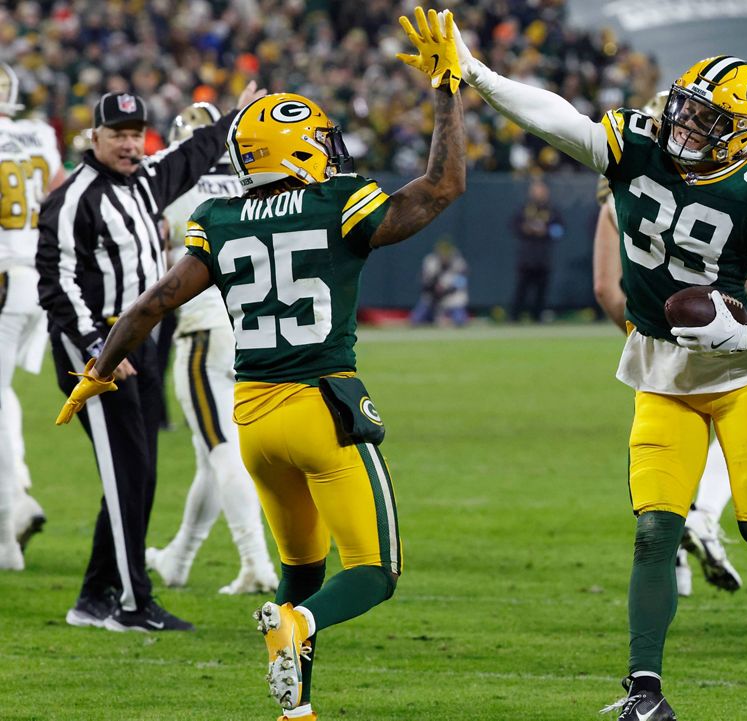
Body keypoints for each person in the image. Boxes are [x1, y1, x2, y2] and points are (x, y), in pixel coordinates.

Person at [444, 17, 747, 717]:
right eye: (686, 106)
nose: (683, 123)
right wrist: (479, 75)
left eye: (707, 119)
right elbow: (561, 121)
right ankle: (645, 690)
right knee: (655, 529)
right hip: (659, 371)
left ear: (739, 133)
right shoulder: (638, 147)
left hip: (737, 378)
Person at [55, 7, 464, 717]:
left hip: (254, 419)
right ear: (297, 150)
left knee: (300, 572)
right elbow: (441, 186)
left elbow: (152, 302)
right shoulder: (337, 199)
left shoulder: (221, 220)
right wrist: (448, 93)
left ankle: (295, 701)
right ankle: (299, 625)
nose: (328, 150)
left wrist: (98, 367)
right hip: (320, 408)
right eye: (317, 140)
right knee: (373, 571)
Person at [39, 82, 266, 631]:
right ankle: (134, 604)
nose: (129, 144)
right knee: (128, 472)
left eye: (136, 134)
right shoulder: (73, 198)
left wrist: (234, 116)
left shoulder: (143, 182)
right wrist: (98, 349)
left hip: (142, 343)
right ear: (93, 137)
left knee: (137, 474)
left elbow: (191, 155)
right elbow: (57, 283)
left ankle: (95, 596)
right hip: (97, 349)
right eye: (117, 134)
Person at [591, 92, 744, 596]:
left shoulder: (624, 178)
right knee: (724, 438)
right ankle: (702, 518)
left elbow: (606, 286)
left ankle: (672, 553)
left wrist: (642, 334)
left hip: (654, 345)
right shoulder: (732, 186)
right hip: (723, 344)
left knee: (662, 458)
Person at [144, 102, 278, 595]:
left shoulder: (174, 188)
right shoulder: (252, 185)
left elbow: (157, 263)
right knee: (209, 453)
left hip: (203, 334)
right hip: (253, 333)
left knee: (223, 451)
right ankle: (179, 556)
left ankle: (255, 562)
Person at [0, 61, 64, 570]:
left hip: (3, 276)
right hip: (35, 278)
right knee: (2, 394)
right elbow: (58, 191)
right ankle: (18, 490)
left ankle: (8, 524)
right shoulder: (37, 135)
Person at [509, 178, 563, 322]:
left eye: (541, 191)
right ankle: (514, 316)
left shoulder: (552, 210)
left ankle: (537, 316)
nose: (538, 194)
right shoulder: (524, 208)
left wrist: (546, 231)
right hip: (526, 256)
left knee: (541, 290)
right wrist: (525, 229)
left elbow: (560, 230)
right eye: (535, 191)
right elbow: (513, 226)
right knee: (522, 289)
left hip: (543, 257)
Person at [409, 238, 469, 326]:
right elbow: (424, 283)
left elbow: (461, 282)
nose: (444, 255)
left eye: (447, 252)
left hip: (452, 298)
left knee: (459, 321)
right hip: (433, 298)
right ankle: (432, 318)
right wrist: (435, 286)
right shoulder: (430, 262)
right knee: (415, 320)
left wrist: (446, 289)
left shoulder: (459, 262)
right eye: (442, 252)